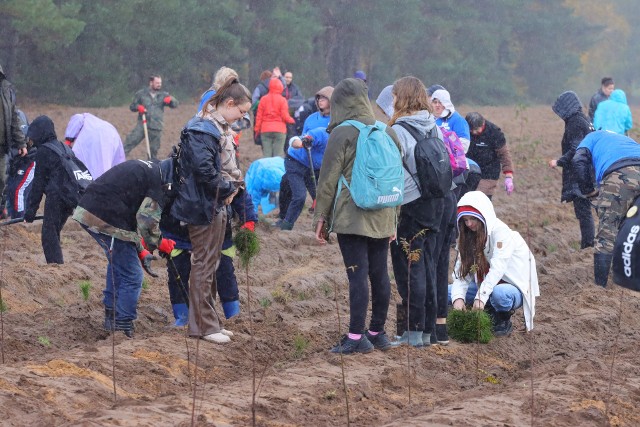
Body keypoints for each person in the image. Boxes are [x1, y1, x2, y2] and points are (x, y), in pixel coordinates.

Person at [314, 78, 400, 354]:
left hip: (353, 216)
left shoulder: (342, 133)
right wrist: (394, 219)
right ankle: (377, 333)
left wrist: (321, 220)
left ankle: (355, 338)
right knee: (380, 274)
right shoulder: (388, 131)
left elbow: (327, 180)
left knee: (357, 276)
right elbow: (396, 178)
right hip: (384, 213)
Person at [170, 77, 250, 344]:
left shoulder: (215, 128)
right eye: (241, 111)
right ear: (229, 103)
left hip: (213, 204)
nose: (241, 118)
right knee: (203, 265)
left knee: (211, 264)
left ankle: (210, 321)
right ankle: (202, 327)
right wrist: (229, 188)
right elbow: (205, 172)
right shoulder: (202, 130)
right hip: (202, 206)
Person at [376, 76, 451, 347]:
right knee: (428, 263)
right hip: (436, 203)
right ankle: (428, 330)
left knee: (409, 267)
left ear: (402, 98)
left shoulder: (395, 131)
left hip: (410, 205)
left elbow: (391, 174)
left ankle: (413, 332)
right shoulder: (433, 125)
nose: (392, 100)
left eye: (394, 95)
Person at [73, 158, 176, 337]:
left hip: (99, 210)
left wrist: (141, 250)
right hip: (101, 215)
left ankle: (112, 319)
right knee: (132, 276)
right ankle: (122, 326)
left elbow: (130, 223)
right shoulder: (156, 182)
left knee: (119, 264)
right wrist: (160, 243)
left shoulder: (150, 170)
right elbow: (145, 223)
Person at [449, 191, 539, 336]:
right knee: (449, 293)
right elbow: (461, 272)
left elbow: (497, 269)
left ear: (484, 216)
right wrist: (458, 300)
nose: (469, 224)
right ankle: (482, 308)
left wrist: (480, 299)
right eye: (465, 220)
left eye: (473, 219)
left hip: (511, 287)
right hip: (482, 286)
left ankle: (503, 319)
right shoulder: (468, 237)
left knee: (500, 294)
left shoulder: (501, 233)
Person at [572, 130, 640, 287]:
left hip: (620, 174)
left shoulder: (591, 137)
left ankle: (599, 288)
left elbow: (578, 160)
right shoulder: (624, 139)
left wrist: (588, 190)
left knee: (607, 233)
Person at [23, 116, 85, 264]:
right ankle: (57, 263)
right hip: (71, 197)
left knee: (49, 234)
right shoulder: (63, 147)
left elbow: (37, 185)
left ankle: (56, 266)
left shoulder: (43, 151)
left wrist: (30, 212)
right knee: (54, 231)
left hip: (57, 196)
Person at [277, 86, 334, 226]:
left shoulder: (335, 122)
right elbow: (302, 138)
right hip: (298, 161)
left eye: (324, 98)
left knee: (321, 198)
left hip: (316, 168)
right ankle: (284, 221)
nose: (320, 100)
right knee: (295, 192)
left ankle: (325, 226)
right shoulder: (311, 119)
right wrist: (299, 142)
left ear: (333, 102)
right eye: (319, 97)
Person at [549, 91, 595, 249]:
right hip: (586, 170)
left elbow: (576, 149)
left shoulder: (575, 122)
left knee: (583, 211)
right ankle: (589, 243)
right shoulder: (584, 119)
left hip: (579, 173)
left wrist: (559, 161)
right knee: (585, 210)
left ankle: (588, 245)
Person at [123, 75, 178, 160]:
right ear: (151, 83)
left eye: (160, 83)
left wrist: (171, 100)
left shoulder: (163, 95)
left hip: (156, 126)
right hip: (142, 124)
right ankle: (118, 159)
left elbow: (175, 104)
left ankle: (151, 167)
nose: (159, 85)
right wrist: (138, 107)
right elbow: (132, 106)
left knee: (154, 151)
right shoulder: (141, 94)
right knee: (130, 142)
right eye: (157, 83)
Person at [464, 112, 515, 200]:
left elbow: (504, 154)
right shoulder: (464, 131)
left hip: (489, 173)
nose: (473, 132)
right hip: (470, 171)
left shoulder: (494, 133)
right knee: (465, 199)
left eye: (476, 130)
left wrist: (508, 175)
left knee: (479, 199)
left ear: (483, 123)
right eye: (471, 130)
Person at [0, 64, 28, 218]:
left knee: (2, 181)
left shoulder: (7, 91)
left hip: (3, 147)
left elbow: (14, 119)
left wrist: (21, 143)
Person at [64, 113, 125, 179]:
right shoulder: (103, 125)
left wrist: (68, 142)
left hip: (91, 135)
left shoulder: (80, 117)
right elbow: (119, 158)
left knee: (82, 168)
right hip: (112, 135)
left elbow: (69, 138)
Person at [254, 77, 295, 158]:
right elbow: (285, 116)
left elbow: (259, 117)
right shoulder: (282, 100)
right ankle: (277, 170)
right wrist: (292, 121)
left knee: (267, 155)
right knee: (278, 155)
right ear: (280, 87)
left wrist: (257, 130)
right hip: (279, 130)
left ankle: (267, 169)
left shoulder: (263, 99)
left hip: (265, 130)